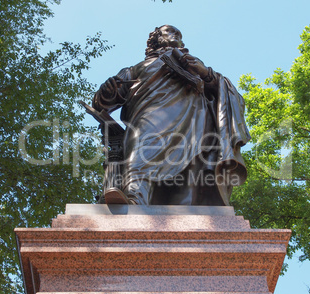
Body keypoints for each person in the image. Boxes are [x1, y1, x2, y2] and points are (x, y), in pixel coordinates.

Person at [93, 25, 251, 206]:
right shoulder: (136, 69)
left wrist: (207, 74)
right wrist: (107, 91)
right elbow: (102, 103)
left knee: (191, 176)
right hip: (149, 118)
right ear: (156, 38)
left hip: (195, 124)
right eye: (171, 31)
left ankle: (188, 223)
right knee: (140, 156)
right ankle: (135, 200)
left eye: (179, 34)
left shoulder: (192, 63)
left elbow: (227, 94)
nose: (176, 35)